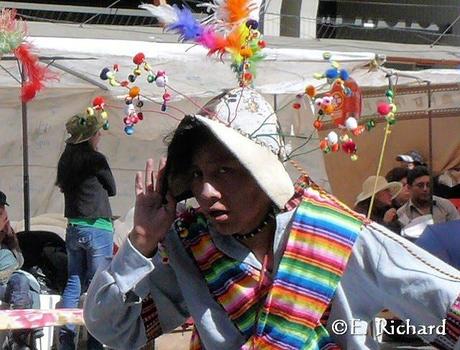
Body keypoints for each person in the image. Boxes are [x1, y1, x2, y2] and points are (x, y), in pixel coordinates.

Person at [84, 88, 460, 350]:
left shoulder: (339, 233)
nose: (206, 191)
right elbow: (116, 330)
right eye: (196, 175)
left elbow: (443, 301)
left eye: (224, 171)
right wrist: (141, 243)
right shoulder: (189, 244)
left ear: (263, 175)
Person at [55, 113, 116, 350]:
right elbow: (112, 188)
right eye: (98, 132)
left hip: (74, 227)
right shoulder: (96, 159)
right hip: (98, 227)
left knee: (73, 282)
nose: (100, 135)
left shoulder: (65, 160)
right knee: (97, 285)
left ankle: (65, 341)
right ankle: (94, 342)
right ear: (91, 135)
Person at [0, 191, 42, 350]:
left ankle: (17, 338)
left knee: (26, 288)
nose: (4, 212)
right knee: (22, 283)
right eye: (0, 209)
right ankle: (20, 338)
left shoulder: (5, 231)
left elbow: (20, 261)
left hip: (10, 283)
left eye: (3, 208)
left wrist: (11, 238)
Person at [397, 166, 460, 230]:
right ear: (409, 187)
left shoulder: (445, 205)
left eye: (428, 185)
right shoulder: (402, 213)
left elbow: (457, 231)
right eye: (420, 185)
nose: (425, 189)